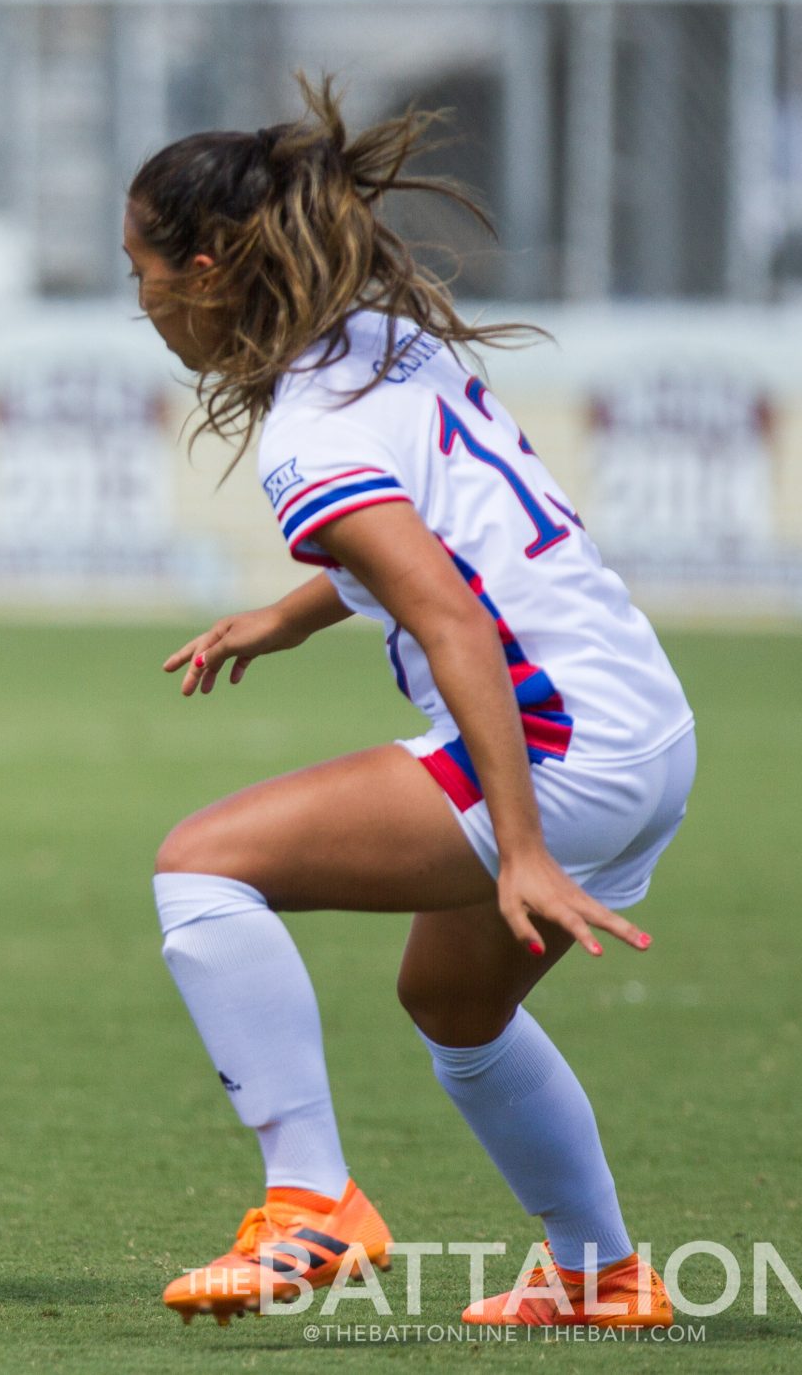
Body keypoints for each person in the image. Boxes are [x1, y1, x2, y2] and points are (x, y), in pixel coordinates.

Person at [126, 79, 692, 1329]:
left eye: (144, 271)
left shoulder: (304, 440)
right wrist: (287, 614)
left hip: (559, 750)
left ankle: (308, 1204)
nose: (143, 301)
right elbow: (453, 551)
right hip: (648, 724)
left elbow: (448, 618)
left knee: (201, 868)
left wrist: (523, 849)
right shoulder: (385, 343)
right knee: (451, 1005)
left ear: (209, 267)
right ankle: (600, 1276)